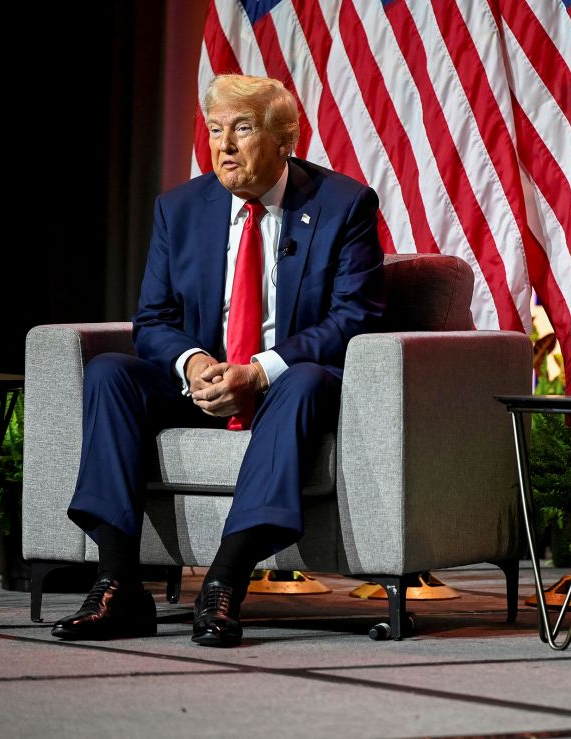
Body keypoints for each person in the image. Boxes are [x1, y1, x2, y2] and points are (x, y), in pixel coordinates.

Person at [51, 74, 384, 648]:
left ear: (286, 140)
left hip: (289, 385)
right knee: (109, 372)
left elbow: (356, 316)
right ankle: (116, 585)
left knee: (303, 382)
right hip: (204, 383)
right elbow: (152, 319)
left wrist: (258, 370)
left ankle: (225, 579)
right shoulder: (179, 209)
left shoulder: (343, 205)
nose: (223, 146)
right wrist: (193, 361)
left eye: (243, 129)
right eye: (214, 130)